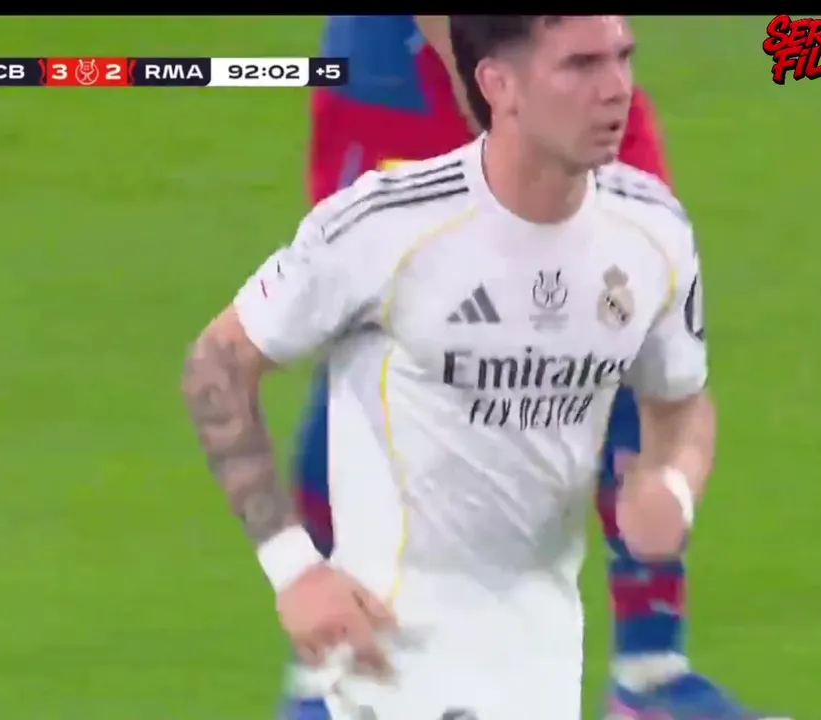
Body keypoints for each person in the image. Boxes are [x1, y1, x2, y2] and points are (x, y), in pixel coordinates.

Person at [288, 14, 776, 720]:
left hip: (549, 71)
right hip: (412, 87)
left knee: (625, 314)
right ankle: (336, 673)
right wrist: (490, 105)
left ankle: (650, 674)